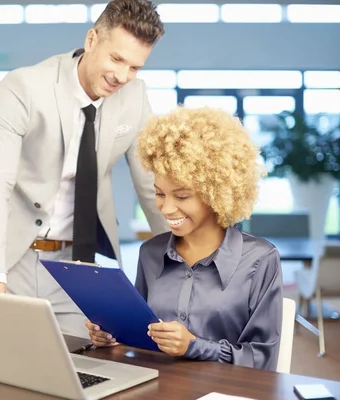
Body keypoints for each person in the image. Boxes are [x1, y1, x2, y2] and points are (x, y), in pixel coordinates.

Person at [0, 0, 170, 339]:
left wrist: (179, 261)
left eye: (134, 67)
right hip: (12, 255)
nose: (122, 76)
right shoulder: (23, 87)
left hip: (78, 264)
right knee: (2, 368)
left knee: (86, 371)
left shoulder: (134, 97)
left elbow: (152, 187)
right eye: (117, 59)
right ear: (92, 40)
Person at [86, 107, 284, 371]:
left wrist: (194, 345)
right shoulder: (150, 253)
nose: (166, 209)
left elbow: (262, 358)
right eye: (159, 194)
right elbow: (140, 335)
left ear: (217, 192)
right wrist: (112, 337)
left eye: (181, 196)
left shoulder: (260, 259)